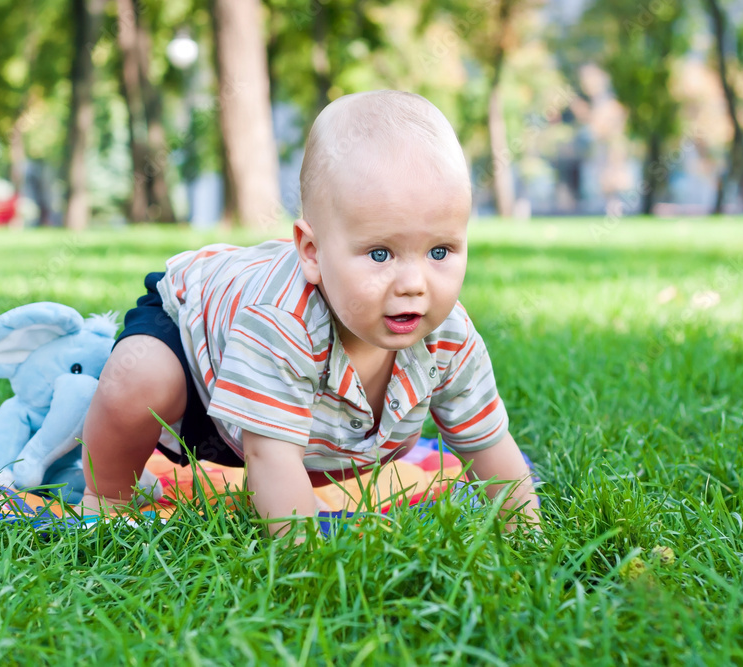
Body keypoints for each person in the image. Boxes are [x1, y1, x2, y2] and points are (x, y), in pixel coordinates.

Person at [80, 90, 539, 536]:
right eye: (380, 254)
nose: (414, 283)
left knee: (299, 453)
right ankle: (109, 497)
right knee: (135, 377)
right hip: (196, 348)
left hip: (312, 431)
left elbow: (488, 443)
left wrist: (529, 536)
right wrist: (309, 561)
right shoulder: (284, 323)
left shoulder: (449, 336)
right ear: (313, 252)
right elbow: (270, 457)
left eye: (440, 250)